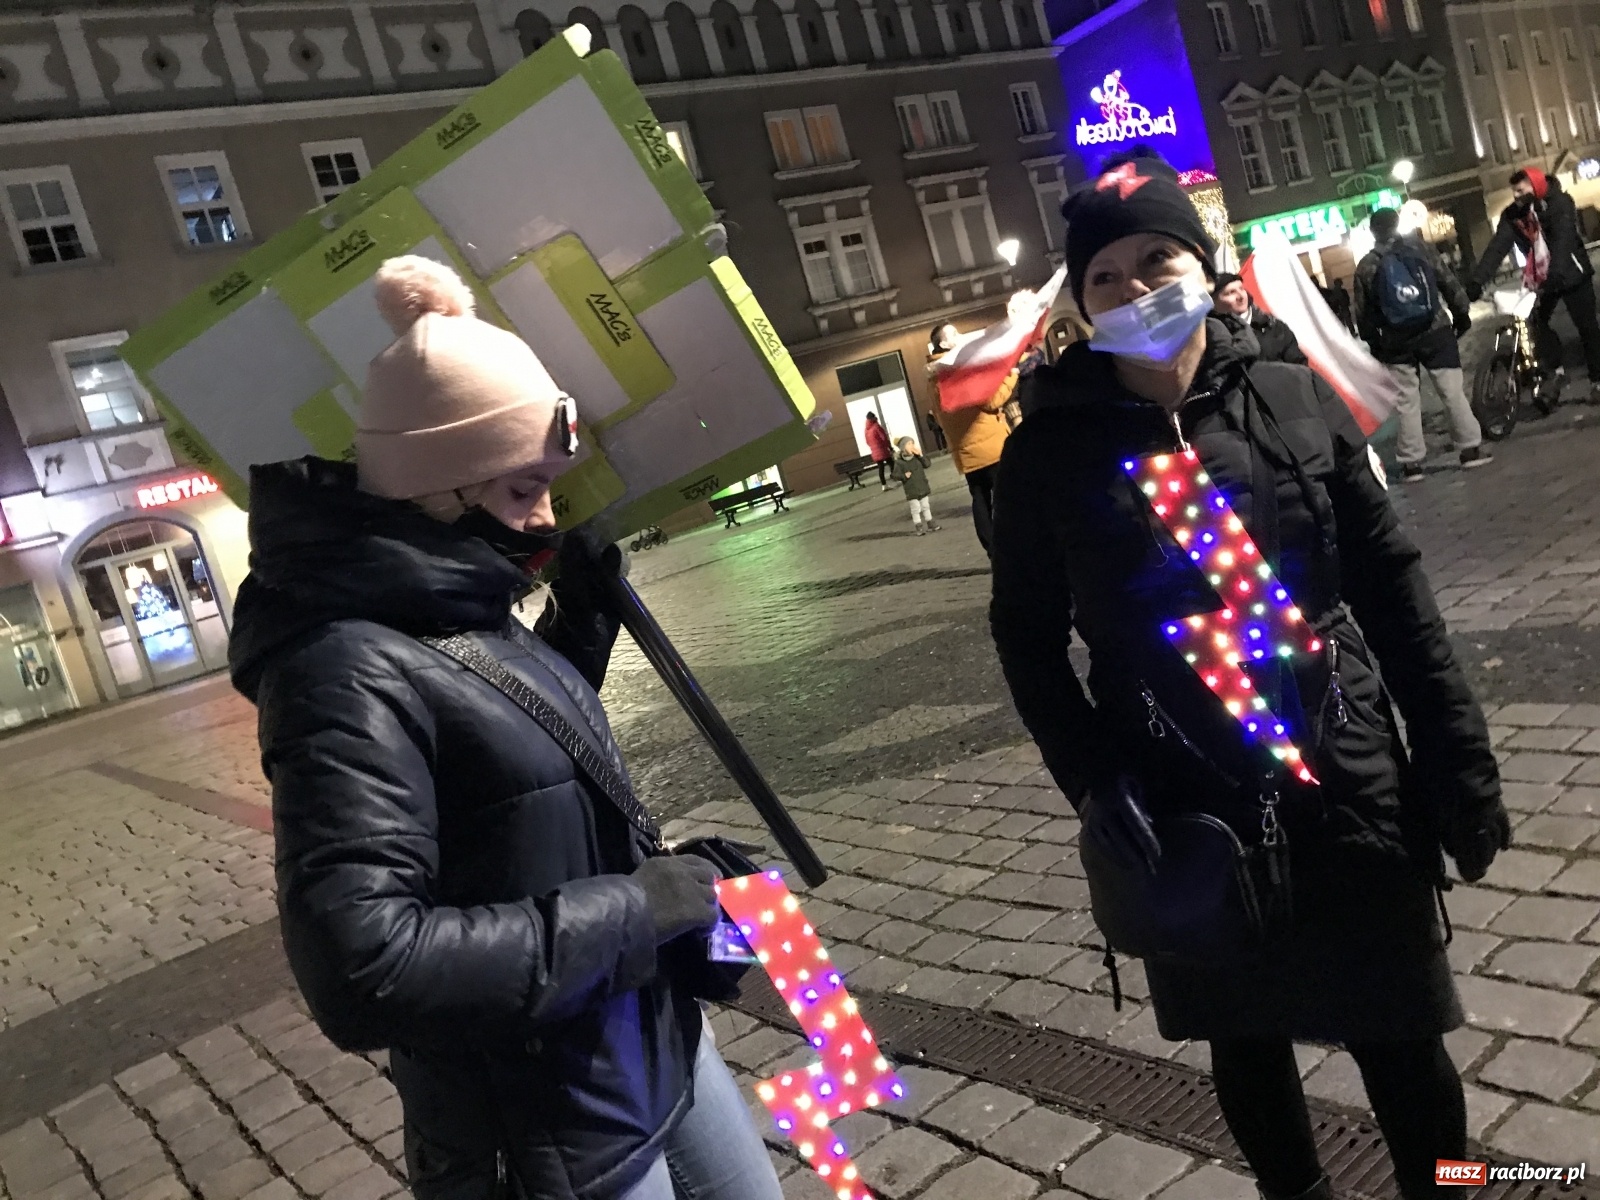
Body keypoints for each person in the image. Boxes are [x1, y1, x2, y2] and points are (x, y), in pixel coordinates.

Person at [990, 154, 1508, 1200]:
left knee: (1407, 1046)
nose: (1135, 290)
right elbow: (1027, 640)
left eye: (1157, 261)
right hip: (1187, 803)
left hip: (1342, 769)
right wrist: (1096, 781)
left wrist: (1456, 759)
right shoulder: (1049, 455)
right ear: (1080, 305)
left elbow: (1396, 593)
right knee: (1245, 1046)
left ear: (1203, 264)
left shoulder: (1287, 397)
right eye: (1105, 278)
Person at [227, 256, 783, 1200]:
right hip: (548, 1125)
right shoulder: (341, 668)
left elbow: (504, 753)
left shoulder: (458, 602)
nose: (548, 513)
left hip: (647, 1037)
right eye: (522, 488)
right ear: (437, 492)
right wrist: (641, 910)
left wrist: (582, 621)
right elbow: (362, 966)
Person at [1354, 207, 1491, 482]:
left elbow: (1363, 312)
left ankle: (1411, 463)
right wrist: (1461, 312)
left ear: (1373, 233)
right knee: (1452, 391)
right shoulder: (1420, 249)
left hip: (1397, 341)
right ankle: (1470, 448)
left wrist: (1375, 344)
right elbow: (1447, 281)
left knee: (1406, 400)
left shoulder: (1367, 265)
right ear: (1397, 225)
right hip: (1435, 331)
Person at [1469, 165, 1600, 405]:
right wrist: (1478, 280)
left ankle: (1597, 381)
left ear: (1535, 185)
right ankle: (1556, 371)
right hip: (1540, 277)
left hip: (1571, 274)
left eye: (1520, 190)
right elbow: (1498, 247)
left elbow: (1564, 238)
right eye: (1514, 192)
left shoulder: (1560, 202)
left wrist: (1557, 271)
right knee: (1536, 323)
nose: (1516, 196)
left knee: (1588, 328)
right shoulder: (1513, 215)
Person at [929, 323, 1010, 553]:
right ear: (943, 344)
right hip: (988, 445)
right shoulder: (960, 368)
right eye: (953, 334)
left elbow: (939, 414)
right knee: (1008, 494)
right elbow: (992, 401)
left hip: (965, 450)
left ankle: (993, 549)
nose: (960, 335)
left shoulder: (935, 376)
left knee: (980, 498)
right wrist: (1009, 375)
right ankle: (1015, 545)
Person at [1212, 272, 1307, 365]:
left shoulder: (1274, 327)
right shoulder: (1211, 337)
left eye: (1241, 289)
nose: (1241, 296)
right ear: (1215, 302)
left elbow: (1300, 367)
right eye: (1231, 292)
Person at [895, 435, 941, 534]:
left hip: (922, 486)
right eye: (909, 444)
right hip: (911, 489)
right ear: (903, 448)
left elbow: (927, 464)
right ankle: (918, 526)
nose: (912, 446)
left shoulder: (917, 458)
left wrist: (920, 455)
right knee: (916, 508)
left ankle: (930, 522)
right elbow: (894, 475)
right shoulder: (899, 463)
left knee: (925, 505)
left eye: (912, 443)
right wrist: (904, 476)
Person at [863, 410, 894, 490]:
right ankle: (896, 478)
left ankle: (884, 485)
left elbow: (867, 442)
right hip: (882, 450)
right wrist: (889, 447)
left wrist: (873, 447)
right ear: (873, 417)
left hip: (874, 452)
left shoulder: (866, 430)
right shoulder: (876, 426)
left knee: (881, 468)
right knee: (891, 463)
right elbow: (884, 438)